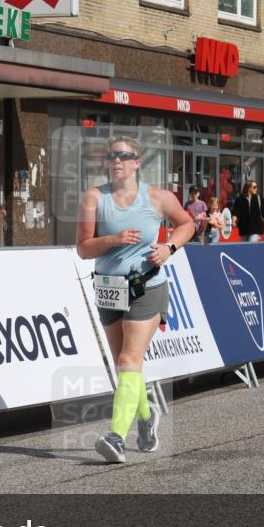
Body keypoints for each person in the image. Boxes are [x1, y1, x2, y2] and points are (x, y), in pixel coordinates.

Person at [77, 136, 195, 463]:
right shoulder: (93, 197)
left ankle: (115, 437)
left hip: (147, 286)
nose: (117, 161)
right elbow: (83, 248)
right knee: (125, 366)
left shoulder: (158, 198)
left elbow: (187, 224)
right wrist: (112, 239)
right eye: (112, 156)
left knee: (130, 360)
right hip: (108, 288)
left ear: (137, 162)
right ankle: (146, 417)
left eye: (124, 156)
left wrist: (169, 247)